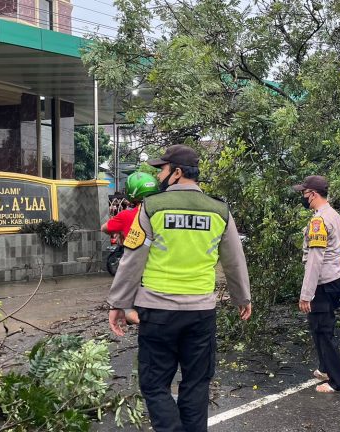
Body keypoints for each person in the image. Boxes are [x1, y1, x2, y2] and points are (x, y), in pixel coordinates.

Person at [107, 144, 251, 432]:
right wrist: (242, 297)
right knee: (197, 383)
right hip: (200, 313)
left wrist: (119, 303)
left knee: (154, 383)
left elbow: (133, 259)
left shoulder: (152, 207)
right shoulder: (219, 210)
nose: (159, 175)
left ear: (177, 172)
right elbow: (234, 259)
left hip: (158, 312)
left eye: (162, 169)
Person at [293, 175, 340, 393]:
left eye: (304, 193)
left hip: (324, 282)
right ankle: (325, 368)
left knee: (322, 329)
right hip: (337, 276)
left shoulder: (318, 221)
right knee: (320, 326)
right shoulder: (332, 214)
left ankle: (339, 382)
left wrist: (306, 294)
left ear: (313, 194)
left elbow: (315, 260)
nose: (302, 197)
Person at [102, 172, 159, 324]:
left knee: (129, 309)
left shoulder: (127, 214)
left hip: (136, 267)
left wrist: (116, 303)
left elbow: (105, 228)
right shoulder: (162, 214)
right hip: (159, 274)